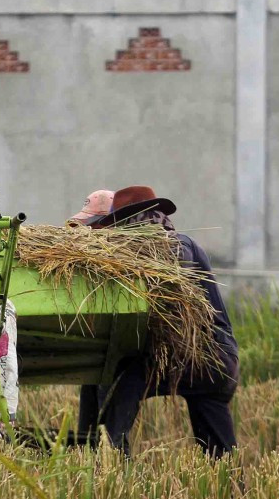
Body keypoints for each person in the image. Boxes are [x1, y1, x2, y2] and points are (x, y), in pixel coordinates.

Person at [93, 186, 239, 457]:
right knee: (218, 448)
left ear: (136, 221)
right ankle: (231, 489)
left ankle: (111, 454)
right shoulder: (172, 243)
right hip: (219, 362)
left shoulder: (177, 244)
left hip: (206, 356)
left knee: (126, 374)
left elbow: (172, 270)